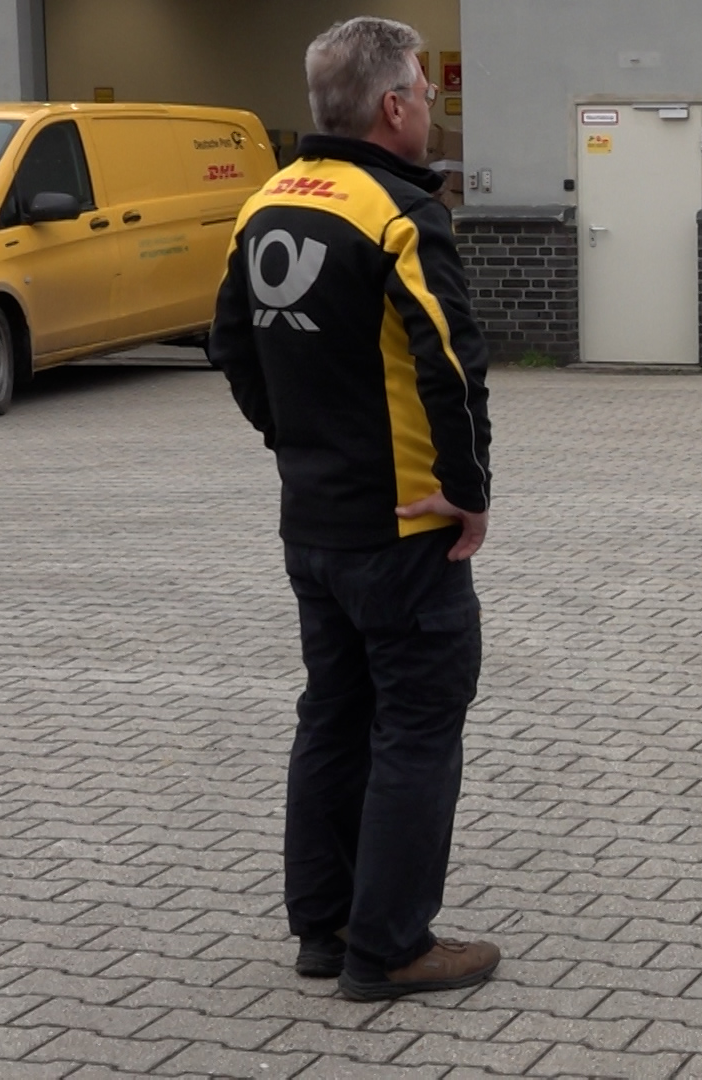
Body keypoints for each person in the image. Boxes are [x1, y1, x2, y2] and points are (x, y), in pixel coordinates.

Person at [208, 16, 499, 1001]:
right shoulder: (397, 214)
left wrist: (294, 449)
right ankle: (391, 945)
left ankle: (324, 928)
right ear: (392, 106)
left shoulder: (268, 202)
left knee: (332, 717)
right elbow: (454, 366)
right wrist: (468, 493)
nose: (428, 99)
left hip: (316, 526)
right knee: (418, 725)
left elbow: (234, 349)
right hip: (405, 530)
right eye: (422, 86)